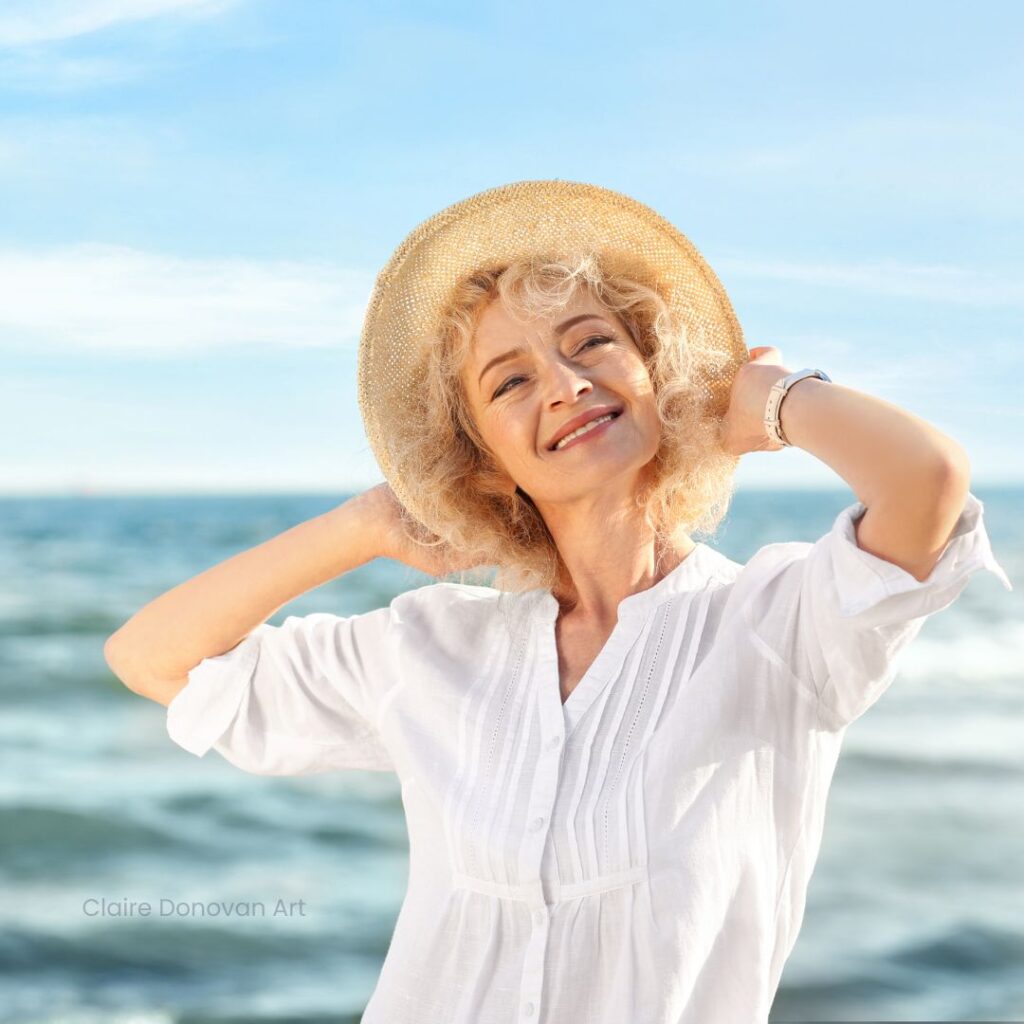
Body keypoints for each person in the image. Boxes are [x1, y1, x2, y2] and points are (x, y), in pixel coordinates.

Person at [104, 181, 1013, 1023]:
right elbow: (152, 659)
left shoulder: (776, 624)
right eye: (510, 382)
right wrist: (369, 525)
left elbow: (925, 481)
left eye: (592, 344)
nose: (566, 384)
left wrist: (771, 399)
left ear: (658, 370)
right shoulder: (430, 646)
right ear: (483, 454)